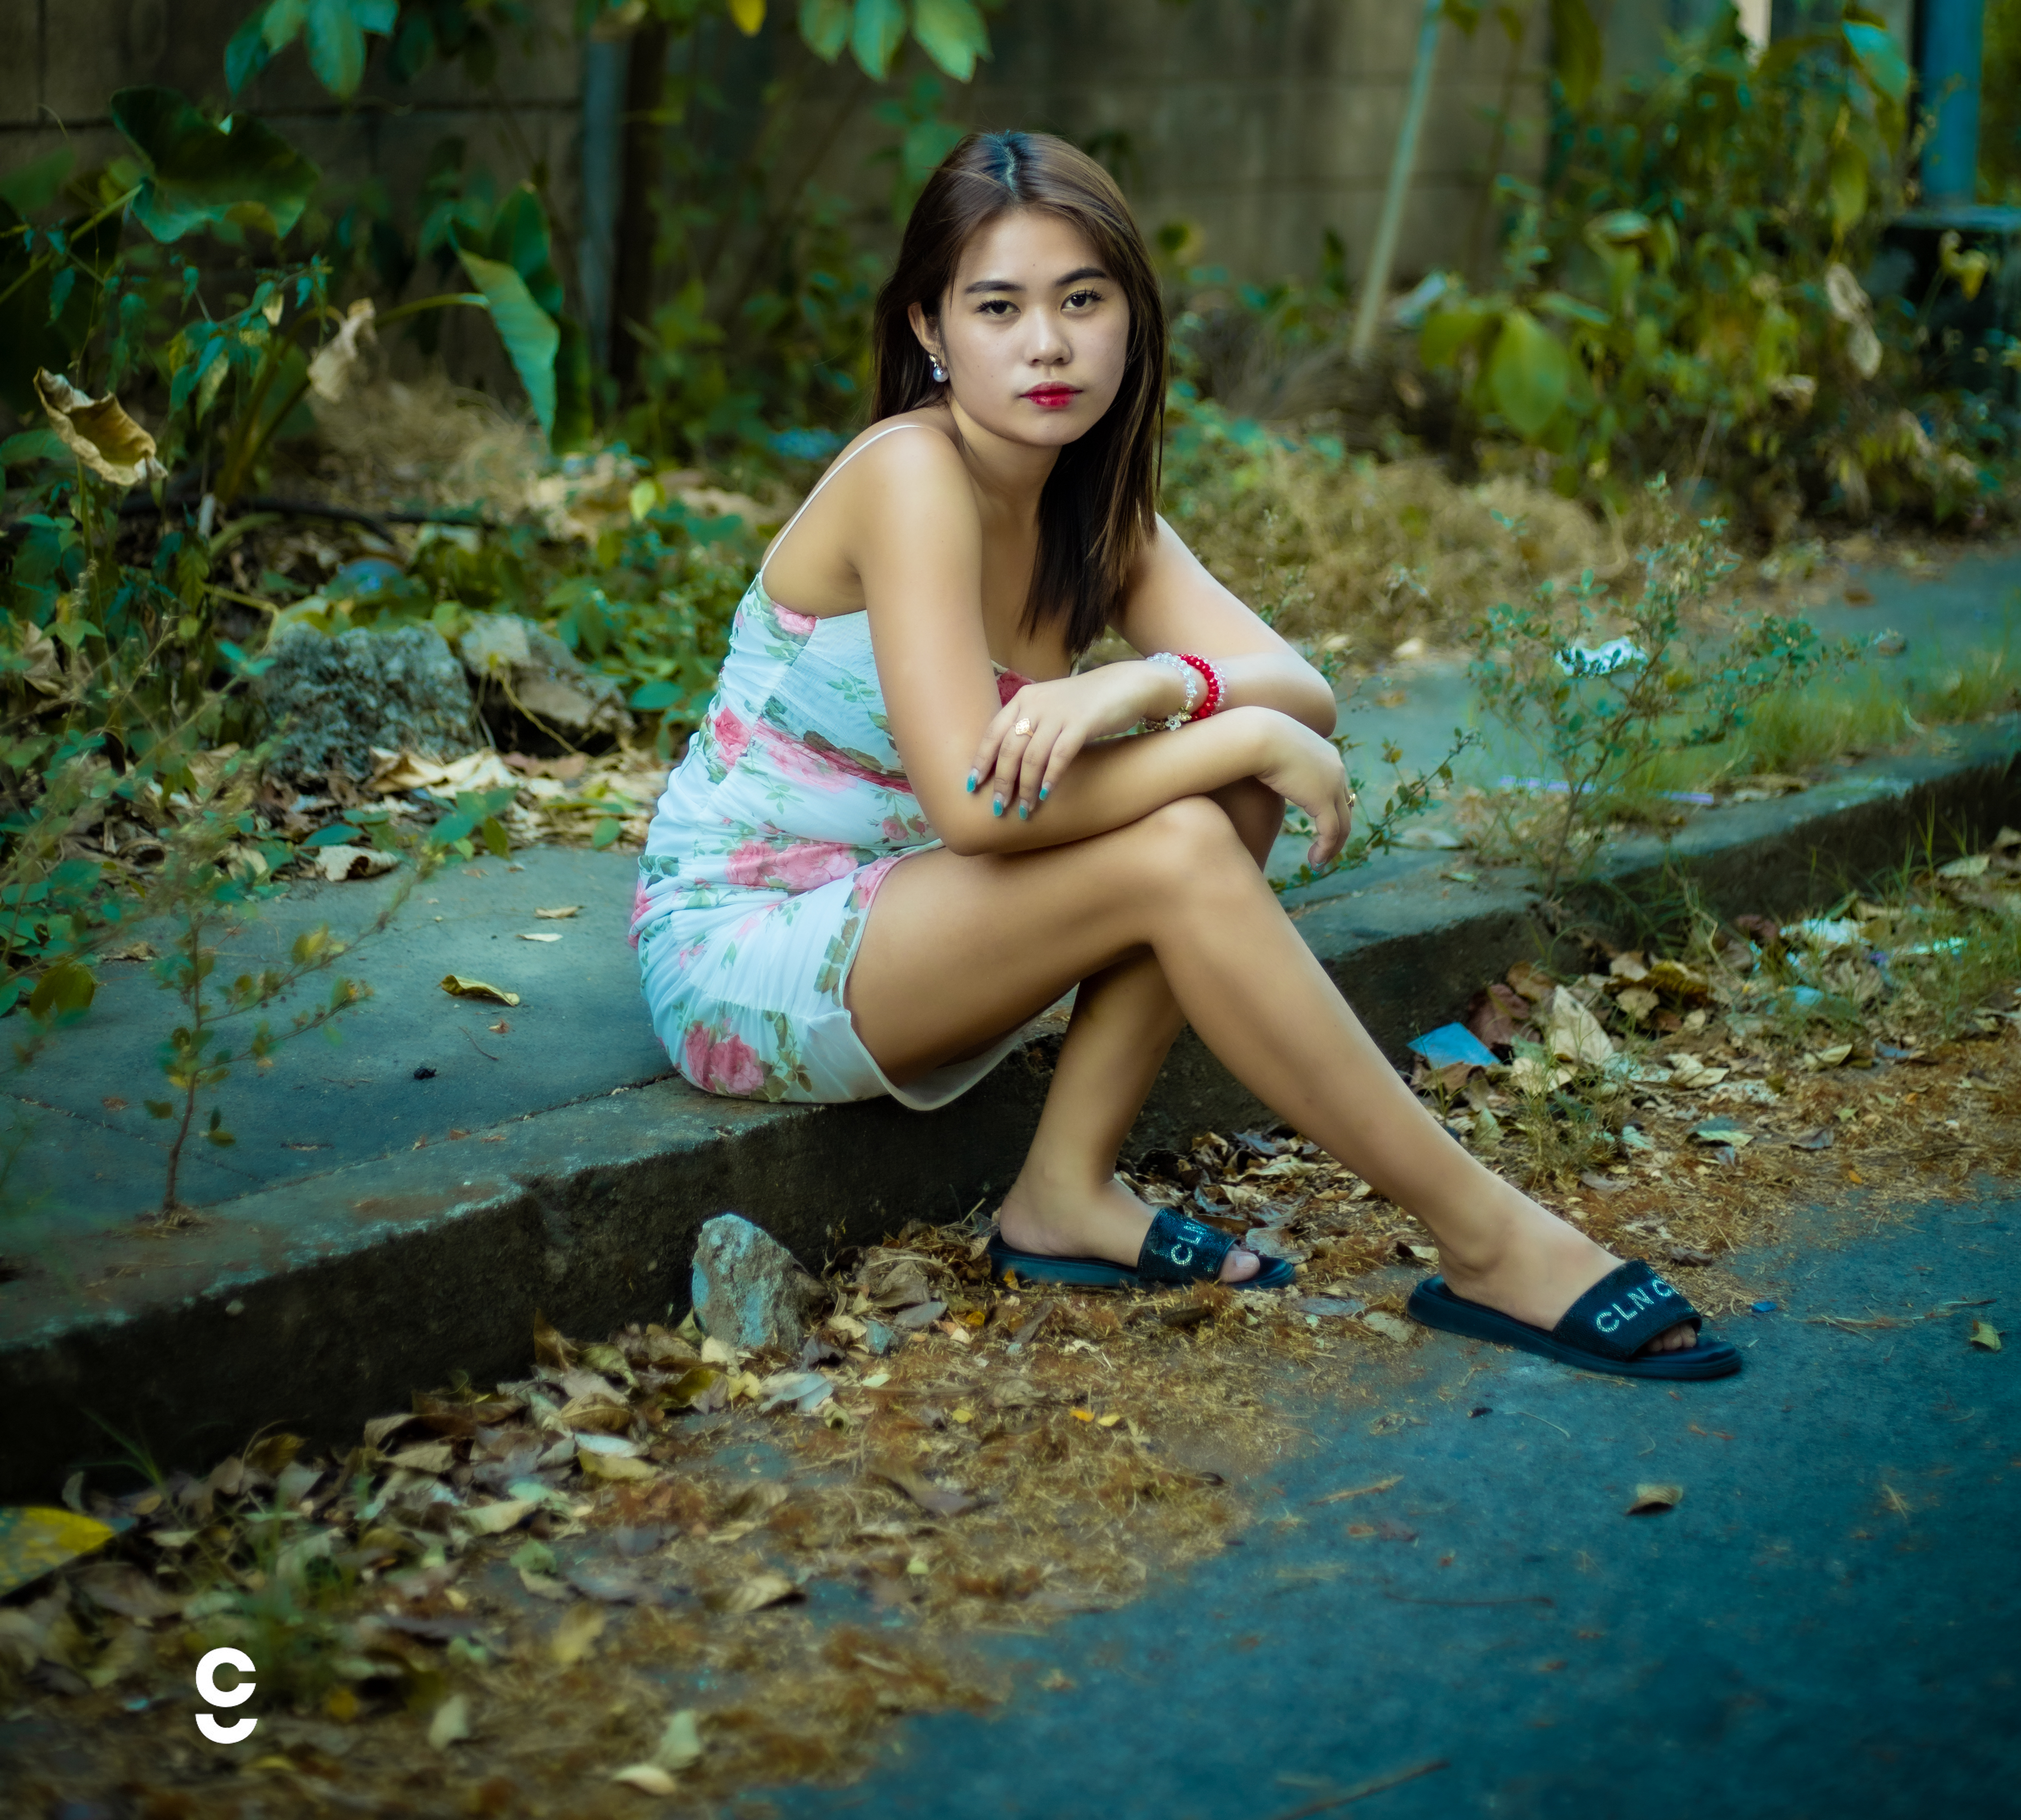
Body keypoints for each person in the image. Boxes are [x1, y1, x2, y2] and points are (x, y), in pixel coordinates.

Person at [633, 132, 1737, 1381]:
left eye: (1081, 301)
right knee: (1199, 814)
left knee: (1230, 781)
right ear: (930, 329)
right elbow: (979, 808)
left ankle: (1062, 1192)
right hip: (748, 946)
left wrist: (1159, 681)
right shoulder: (911, 473)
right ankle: (1488, 1238)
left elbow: (1298, 686)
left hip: (916, 914)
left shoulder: (1092, 510)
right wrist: (1243, 727)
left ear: (1130, 325)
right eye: (998, 307)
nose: (1045, 343)